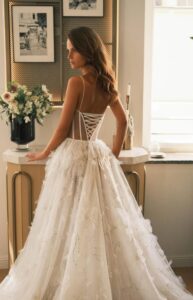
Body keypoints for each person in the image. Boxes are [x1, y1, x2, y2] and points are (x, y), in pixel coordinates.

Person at [0, 27, 192, 300]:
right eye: (67, 50)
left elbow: (64, 128)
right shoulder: (107, 85)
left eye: (72, 50)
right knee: (96, 221)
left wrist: (44, 154)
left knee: (66, 220)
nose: (68, 56)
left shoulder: (75, 83)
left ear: (87, 50)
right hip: (96, 156)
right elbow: (123, 122)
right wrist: (112, 156)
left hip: (73, 157)